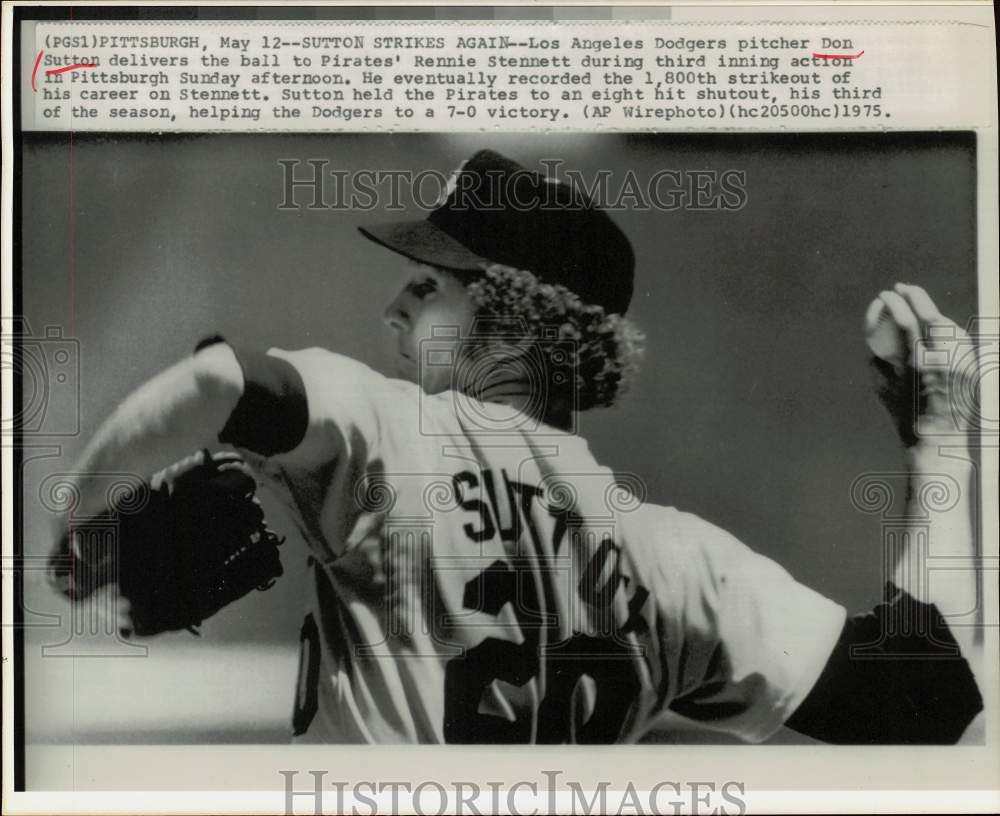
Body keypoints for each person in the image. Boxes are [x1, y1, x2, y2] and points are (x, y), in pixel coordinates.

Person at [50, 149, 983, 744]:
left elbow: (219, 384)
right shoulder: (677, 559)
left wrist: (72, 525)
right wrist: (940, 442)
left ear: (515, 314)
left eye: (425, 287)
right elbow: (925, 698)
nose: (392, 309)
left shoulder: (393, 434)